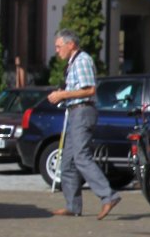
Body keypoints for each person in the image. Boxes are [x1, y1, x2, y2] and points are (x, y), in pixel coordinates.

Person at [48, 29, 121, 219]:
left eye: (59, 46)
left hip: (82, 111)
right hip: (74, 112)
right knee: (67, 161)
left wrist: (63, 94)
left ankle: (108, 196)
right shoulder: (73, 63)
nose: (57, 50)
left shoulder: (82, 60)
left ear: (70, 44)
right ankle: (73, 206)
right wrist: (62, 94)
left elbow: (89, 90)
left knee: (81, 157)